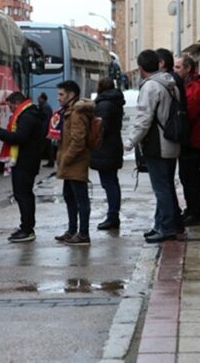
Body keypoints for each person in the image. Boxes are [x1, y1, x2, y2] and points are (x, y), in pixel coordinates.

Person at [123, 49, 181, 243]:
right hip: (172, 141)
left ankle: (166, 228)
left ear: (140, 68)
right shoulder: (171, 84)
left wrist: (131, 141)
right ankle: (161, 224)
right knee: (166, 186)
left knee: (161, 188)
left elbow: (144, 118)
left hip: (157, 144)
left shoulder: (150, 87)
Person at [0, 92, 45, 243]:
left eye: (10, 106)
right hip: (28, 160)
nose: (10, 110)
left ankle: (27, 229)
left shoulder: (27, 116)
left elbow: (20, 138)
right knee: (24, 195)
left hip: (25, 161)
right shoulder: (30, 113)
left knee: (23, 195)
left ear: (16, 103)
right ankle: (26, 226)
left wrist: (0, 132)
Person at [174, 56, 200, 226]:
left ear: (188, 68)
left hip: (192, 139)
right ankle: (193, 210)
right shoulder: (192, 86)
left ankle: (196, 212)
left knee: (190, 176)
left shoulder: (194, 88)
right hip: (192, 138)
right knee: (189, 176)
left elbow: (188, 113)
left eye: (178, 67)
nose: (175, 71)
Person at [53, 80, 95, 245]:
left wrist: (66, 158)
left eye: (61, 94)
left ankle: (83, 234)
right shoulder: (68, 111)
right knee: (69, 197)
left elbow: (78, 141)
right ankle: (72, 231)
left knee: (81, 199)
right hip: (70, 163)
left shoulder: (76, 113)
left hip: (75, 162)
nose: (58, 98)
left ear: (71, 95)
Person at [156, 48, 188, 225]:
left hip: (168, 136)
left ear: (161, 63)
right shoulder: (174, 79)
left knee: (164, 184)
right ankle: (173, 217)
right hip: (175, 135)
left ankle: (169, 222)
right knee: (166, 183)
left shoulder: (167, 81)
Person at [90, 77, 126, 230]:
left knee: (109, 183)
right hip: (113, 146)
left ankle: (113, 216)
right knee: (111, 181)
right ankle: (113, 215)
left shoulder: (104, 104)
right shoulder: (115, 101)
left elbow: (100, 128)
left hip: (105, 148)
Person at [37, 92, 55, 167]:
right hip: (47, 130)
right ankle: (51, 162)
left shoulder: (45, 107)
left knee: (41, 148)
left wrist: (43, 132)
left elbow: (45, 120)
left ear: (42, 98)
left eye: (39, 98)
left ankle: (36, 162)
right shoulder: (45, 106)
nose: (38, 99)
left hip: (45, 130)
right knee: (48, 147)